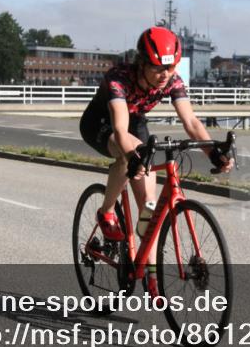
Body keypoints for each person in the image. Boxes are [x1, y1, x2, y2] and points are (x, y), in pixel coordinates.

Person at [80, 26, 233, 298]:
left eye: (170, 68)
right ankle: (106, 212)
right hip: (102, 122)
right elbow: (119, 129)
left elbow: (191, 121)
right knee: (127, 154)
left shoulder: (171, 80)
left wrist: (214, 153)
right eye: (157, 69)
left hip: (136, 121)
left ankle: (150, 274)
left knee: (148, 206)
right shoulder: (119, 78)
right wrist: (133, 157)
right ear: (141, 63)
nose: (164, 75)